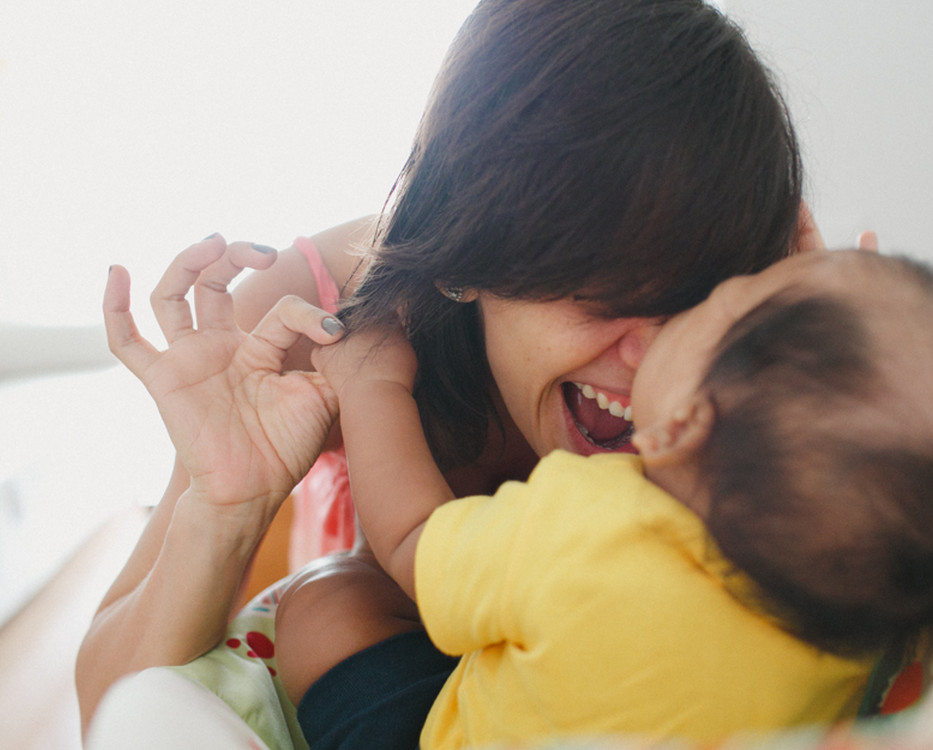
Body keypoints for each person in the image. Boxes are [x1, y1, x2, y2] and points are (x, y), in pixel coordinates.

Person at [78, 0, 833, 730]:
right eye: (601, 295)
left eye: (691, 298)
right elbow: (110, 708)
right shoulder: (318, 325)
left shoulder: (759, 327)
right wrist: (228, 505)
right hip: (388, 651)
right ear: (464, 252)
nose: (647, 357)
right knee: (328, 606)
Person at [270, 248, 933, 749]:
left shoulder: (594, 524)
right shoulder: (867, 600)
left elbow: (412, 538)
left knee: (329, 599)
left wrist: (374, 383)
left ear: (686, 421)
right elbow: (877, 428)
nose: (652, 330)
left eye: (710, 306)